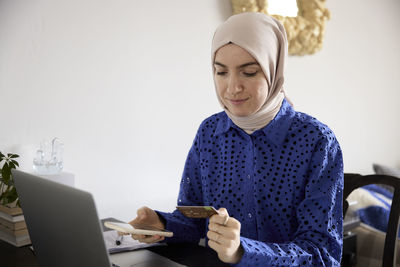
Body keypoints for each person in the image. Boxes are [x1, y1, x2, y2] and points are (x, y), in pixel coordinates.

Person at [128, 12, 343, 266]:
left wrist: (243, 251)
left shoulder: (317, 142)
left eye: (249, 72)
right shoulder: (209, 132)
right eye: (221, 72)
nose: (232, 87)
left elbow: (322, 254)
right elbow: (195, 217)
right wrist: (162, 225)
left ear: (274, 70)